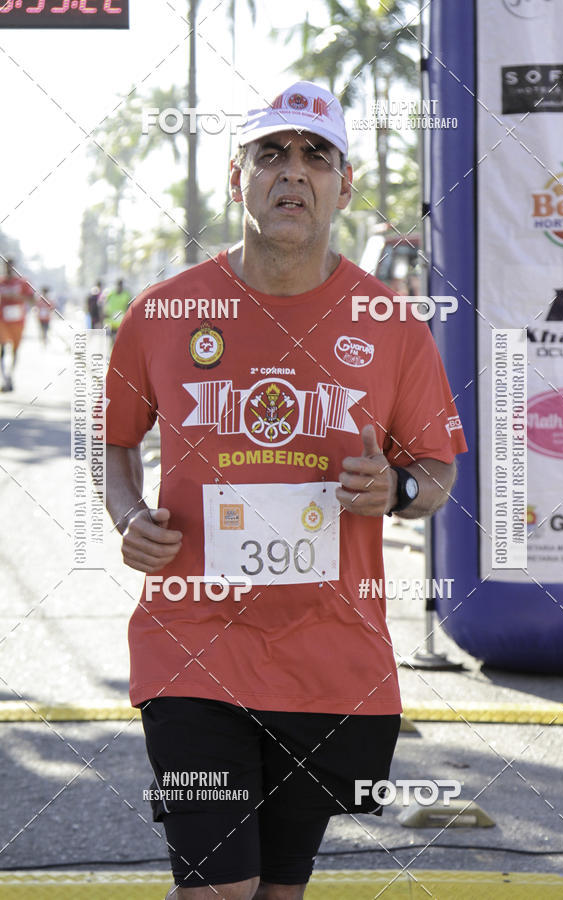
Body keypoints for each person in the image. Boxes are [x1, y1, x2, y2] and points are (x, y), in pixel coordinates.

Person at [104, 80, 467, 899]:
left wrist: (397, 487)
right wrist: (129, 517)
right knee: (217, 889)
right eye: (271, 153)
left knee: (277, 892)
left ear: (344, 183)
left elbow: (438, 470)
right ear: (239, 180)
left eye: (316, 155)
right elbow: (117, 442)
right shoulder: (164, 313)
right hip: (191, 647)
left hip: (328, 658)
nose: (292, 172)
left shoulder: (392, 323)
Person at [0, 258, 34, 392]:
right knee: (2, 349)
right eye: (6, 266)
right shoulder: (1, 282)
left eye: (10, 266)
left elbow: (32, 299)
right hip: (2, 321)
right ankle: (4, 377)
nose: (8, 268)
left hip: (18, 322)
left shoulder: (22, 282)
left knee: (14, 350)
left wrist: (17, 297)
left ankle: (10, 375)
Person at [103, 277, 131, 343]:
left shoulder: (127, 295)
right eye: (118, 285)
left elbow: (130, 307)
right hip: (112, 323)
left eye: (120, 285)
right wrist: (105, 314)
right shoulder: (111, 294)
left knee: (121, 341)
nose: (119, 287)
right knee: (113, 341)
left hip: (122, 323)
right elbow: (105, 305)